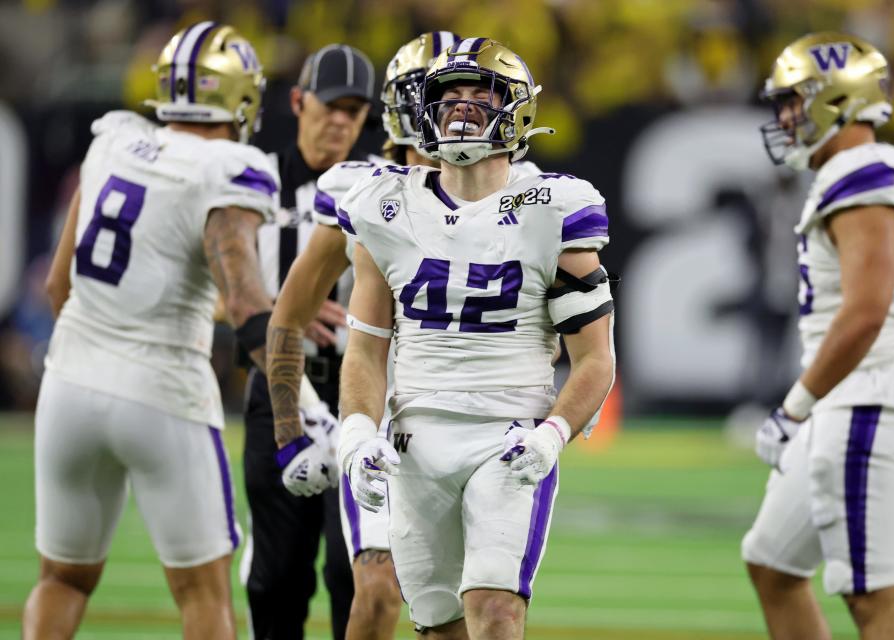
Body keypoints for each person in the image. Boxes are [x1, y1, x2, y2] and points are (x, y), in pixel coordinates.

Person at [277, 38, 615, 639]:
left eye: (478, 95)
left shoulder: (553, 208)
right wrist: (356, 431)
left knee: (496, 609)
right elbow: (366, 347)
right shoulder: (387, 207)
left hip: (508, 436)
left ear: (516, 110)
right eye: (448, 96)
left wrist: (553, 436)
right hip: (414, 438)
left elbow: (596, 360)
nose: (461, 108)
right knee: (438, 627)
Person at [23, 23, 278, 639]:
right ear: (240, 96)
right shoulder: (228, 165)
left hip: (69, 385)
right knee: (203, 595)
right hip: (164, 390)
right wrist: (300, 411)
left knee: (61, 579)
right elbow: (246, 304)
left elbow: (59, 285)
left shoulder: (114, 141)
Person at [742, 32, 894, 640]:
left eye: (794, 100)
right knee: (773, 563)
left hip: (869, 396)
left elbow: (866, 312)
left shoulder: (862, 173)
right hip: (854, 393)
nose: (784, 116)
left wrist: (795, 405)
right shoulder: (884, 169)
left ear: (835, 99)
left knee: (873, 596)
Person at [239, 43, 376, 640]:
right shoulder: (253, 176)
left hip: (359, 396)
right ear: (298, 102)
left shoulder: (377, 187)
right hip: (279, 391)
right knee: (276, 578)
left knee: (354, 572)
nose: (341, 121)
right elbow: (208, 285)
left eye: (354, 111)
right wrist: (282, 311)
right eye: (330, 106)